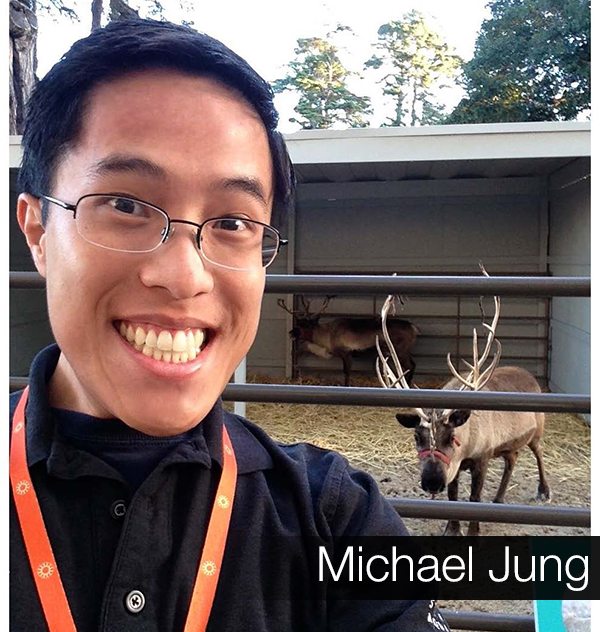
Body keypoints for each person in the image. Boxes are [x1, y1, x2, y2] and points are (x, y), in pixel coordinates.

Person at [11, 18, 450, 632]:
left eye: (234, 222)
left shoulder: (338, 516)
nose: (185, 276)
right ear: (37, 230)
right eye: (127, 206)